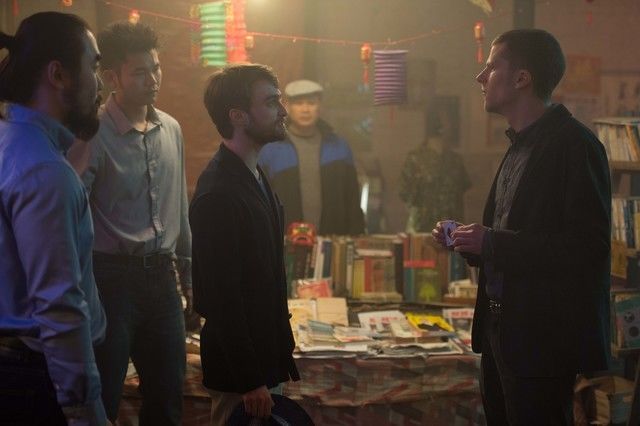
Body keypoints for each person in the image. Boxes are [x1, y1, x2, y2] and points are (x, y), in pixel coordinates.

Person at [433, 29, 611, 425]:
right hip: (502, 331)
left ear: (521, 78)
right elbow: (511, 239)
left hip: (541, 339)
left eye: (491, 66)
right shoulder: (520, 146)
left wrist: (493, 242)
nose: (480, 77)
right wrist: (470, 241)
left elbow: (588, 248)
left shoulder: (575, 145)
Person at [0, 12, 110, 426]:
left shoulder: (11, 142)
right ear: (58, 75)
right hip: (36, 381)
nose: (100, 85)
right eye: (94, 67)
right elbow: (58, 308)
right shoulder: (45, 171)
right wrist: (87, 412)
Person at [80, 22, 191, 425]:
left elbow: (180, 209)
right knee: (105, 395)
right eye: (140, 72)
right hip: (111, 280)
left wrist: (189, 276)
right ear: (112, 78)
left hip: (163, 276)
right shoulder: (92, 133)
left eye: (156, 68)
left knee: (168, 399)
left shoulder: (171, 128)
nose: (153, 79)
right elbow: (71, 213)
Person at [191, 64, 300, 425]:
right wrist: (250, 380)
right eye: (270, 102)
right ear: (237, 116)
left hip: (264, 362)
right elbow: (222, 299)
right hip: (241, 377)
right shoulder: (218, 193)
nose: (283, 111)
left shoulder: (252, 174)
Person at [258, 79, 365, 235]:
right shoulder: (270, 150)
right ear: (287, 107)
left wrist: (357, 236)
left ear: (320, 106)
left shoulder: (339, 147)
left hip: (333, 240)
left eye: (311, 103)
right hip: (286, 241)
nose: (305, 109)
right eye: (299, 103)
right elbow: (260, 202)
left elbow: (353, 199)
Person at [400, 104, 470, 233]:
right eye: (446, 121)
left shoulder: (455, 160)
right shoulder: (415, 159)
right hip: (422, 229)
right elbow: (405, 193)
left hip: (450, 230)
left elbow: (462, 192)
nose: (450, 125)